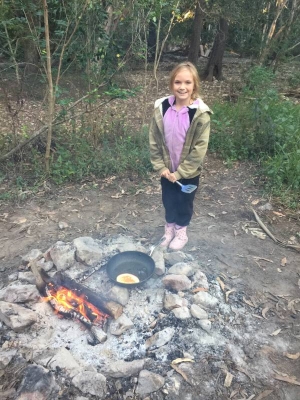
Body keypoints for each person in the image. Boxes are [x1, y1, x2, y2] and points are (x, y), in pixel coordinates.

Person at [149, 62, 212, 251]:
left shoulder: (200, 114)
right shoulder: (162, 108)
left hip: (188, 174)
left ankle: (181, 232)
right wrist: (161, 167)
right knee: (168, 200)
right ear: (171, 84)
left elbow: (200, 149)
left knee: (184, 202)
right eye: (177, 82)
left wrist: (181, 173)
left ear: (194, 85)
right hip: (167, 171)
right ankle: (168, 230)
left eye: (187, 82)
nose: (182, 87)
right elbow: (154, 139)